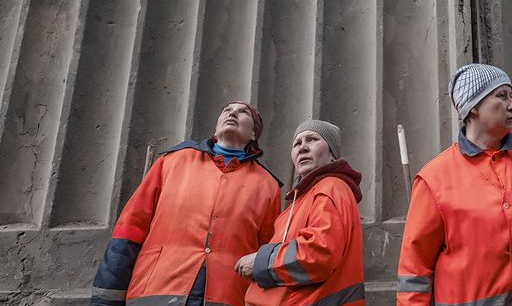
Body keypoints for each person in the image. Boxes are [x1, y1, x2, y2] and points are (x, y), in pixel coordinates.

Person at [397, 63, 512, 306]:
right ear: (472, 108)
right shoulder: (434, 180)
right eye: (501, 96)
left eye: (511, 96)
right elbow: (414, 273)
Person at [91, 101, 282, 306]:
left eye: (243, 112)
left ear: (254, 134)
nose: (232, 113)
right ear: (215, 130)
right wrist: (106, 300)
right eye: (227, 110)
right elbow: (130, 228)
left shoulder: (267, 185)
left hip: (227, 296)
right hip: (157, 290)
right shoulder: (172, 161)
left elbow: (264, 252)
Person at [240, 119, 365, 306]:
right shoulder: (298, 203)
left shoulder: (331, 187)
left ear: (333, 155)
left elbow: (319, 254)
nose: (303, 148)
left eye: (312, 139)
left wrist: (260, 262)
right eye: (297, 143)